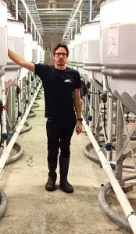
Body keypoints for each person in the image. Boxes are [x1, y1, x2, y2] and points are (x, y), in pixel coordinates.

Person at [8, 43, 83, 193]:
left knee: (66, 148)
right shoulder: (46, 71)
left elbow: (77, 98)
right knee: (52, 149)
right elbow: (22, 62)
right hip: (53, 119)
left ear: (67, 57)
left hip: (69, 119)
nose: (61, 57)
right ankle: (51, 177)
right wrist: (4, 48)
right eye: (58, 54)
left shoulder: (73, 74)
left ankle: (64, 181)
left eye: (64, 54)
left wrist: (79, 119)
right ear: (54, 56)